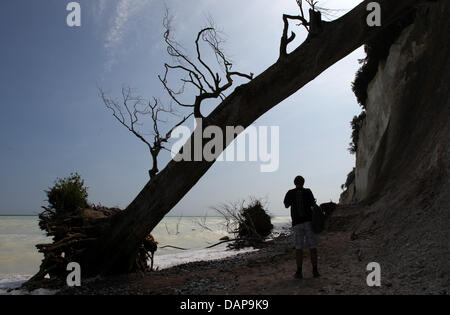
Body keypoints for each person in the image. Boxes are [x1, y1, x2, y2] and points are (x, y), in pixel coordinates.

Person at [284, 175, 320, 279]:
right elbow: (313, 204)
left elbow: (286, 205)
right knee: (312, 247)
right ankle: (315, 271)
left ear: (294, 183)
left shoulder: (290, 193)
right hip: (308, 222)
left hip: (297, 223)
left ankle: (299, 272)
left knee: (299, 248)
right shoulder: (308, 191)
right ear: (303, 182)